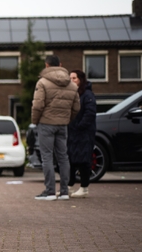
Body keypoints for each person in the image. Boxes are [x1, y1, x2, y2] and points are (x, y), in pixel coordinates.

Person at [31, 55, 80, 201]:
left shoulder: (43, 82)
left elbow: (38, 105)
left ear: (47, 66)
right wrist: (67, 119)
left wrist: (35, 121)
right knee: (63, 157)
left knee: (47, 157)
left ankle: (50, 192)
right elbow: (77, 107)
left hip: (46, 123)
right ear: (60, 64)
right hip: (62, 125)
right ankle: (64, 192)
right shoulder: (72, 85)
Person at [67, 70, 97, 198]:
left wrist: (80, 126)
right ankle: (68, 186)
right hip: (72, 132)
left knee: (84, 160)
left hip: (84, 133)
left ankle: (84, 188)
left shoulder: (87, 94)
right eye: (70, 78)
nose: (72, 80)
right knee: (71, 160)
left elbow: (90, 113)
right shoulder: (72, 94)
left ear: (80, 79)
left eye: (74, 78)